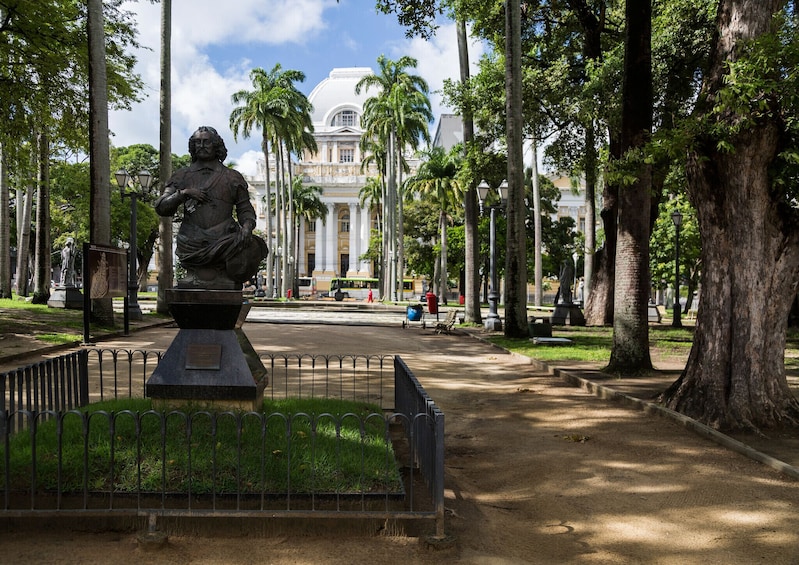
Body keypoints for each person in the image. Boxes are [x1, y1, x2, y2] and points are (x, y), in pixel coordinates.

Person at [155, 126, 268, 289]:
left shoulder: (232, 177)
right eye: (197, 142)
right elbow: (161, 207)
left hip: (224, 240)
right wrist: (183, 193)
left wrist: (247, 227)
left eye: (206, 142)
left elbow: (245, 209)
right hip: (190, 242)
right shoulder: (181, 176)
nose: (201, 145)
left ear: (216, 145)